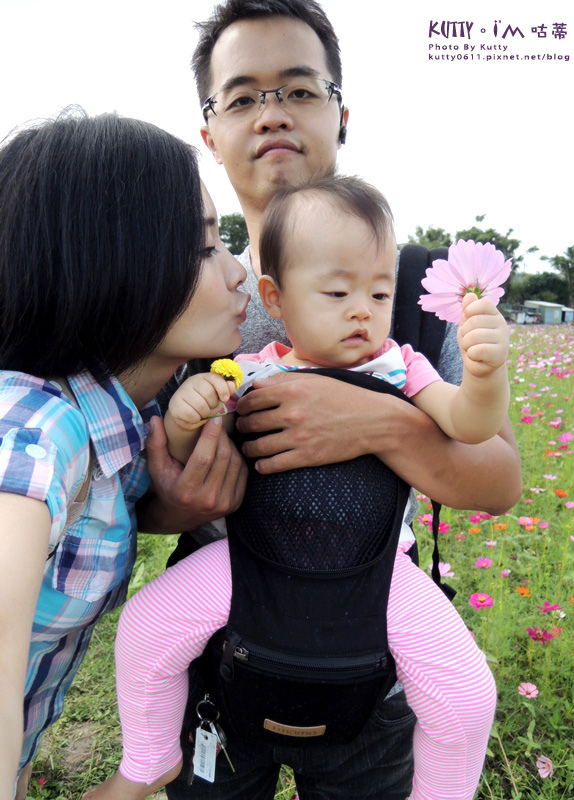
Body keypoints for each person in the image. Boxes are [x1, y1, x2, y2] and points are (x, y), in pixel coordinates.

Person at [149, 0, 522, 797]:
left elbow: (498, 482)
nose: (272, 113)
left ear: (342, 113)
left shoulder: (416, 295)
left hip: (369, 645)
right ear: (208, 133)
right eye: (242, 96)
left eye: (299, 89)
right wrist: (186, 499)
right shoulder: (185, 296)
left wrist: (380, 423)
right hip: (220, 641)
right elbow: (138, 492)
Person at [86, 175, 506, 800]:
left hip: (377, 577)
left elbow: (472, 425)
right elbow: (186, 456)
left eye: (380, 292)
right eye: (337, 292)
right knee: (146, 625)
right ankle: (147, 761)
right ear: (274, 298)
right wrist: (186, 416)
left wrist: (485, 375)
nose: (363, 309)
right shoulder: (251, 369)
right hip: (250, 563)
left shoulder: (402, 366)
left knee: (469, 694)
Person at [0, 109, 249, 800]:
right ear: (112, 260)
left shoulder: (132, 414)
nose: (239, 276)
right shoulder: (31, 434)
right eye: (206, 249)